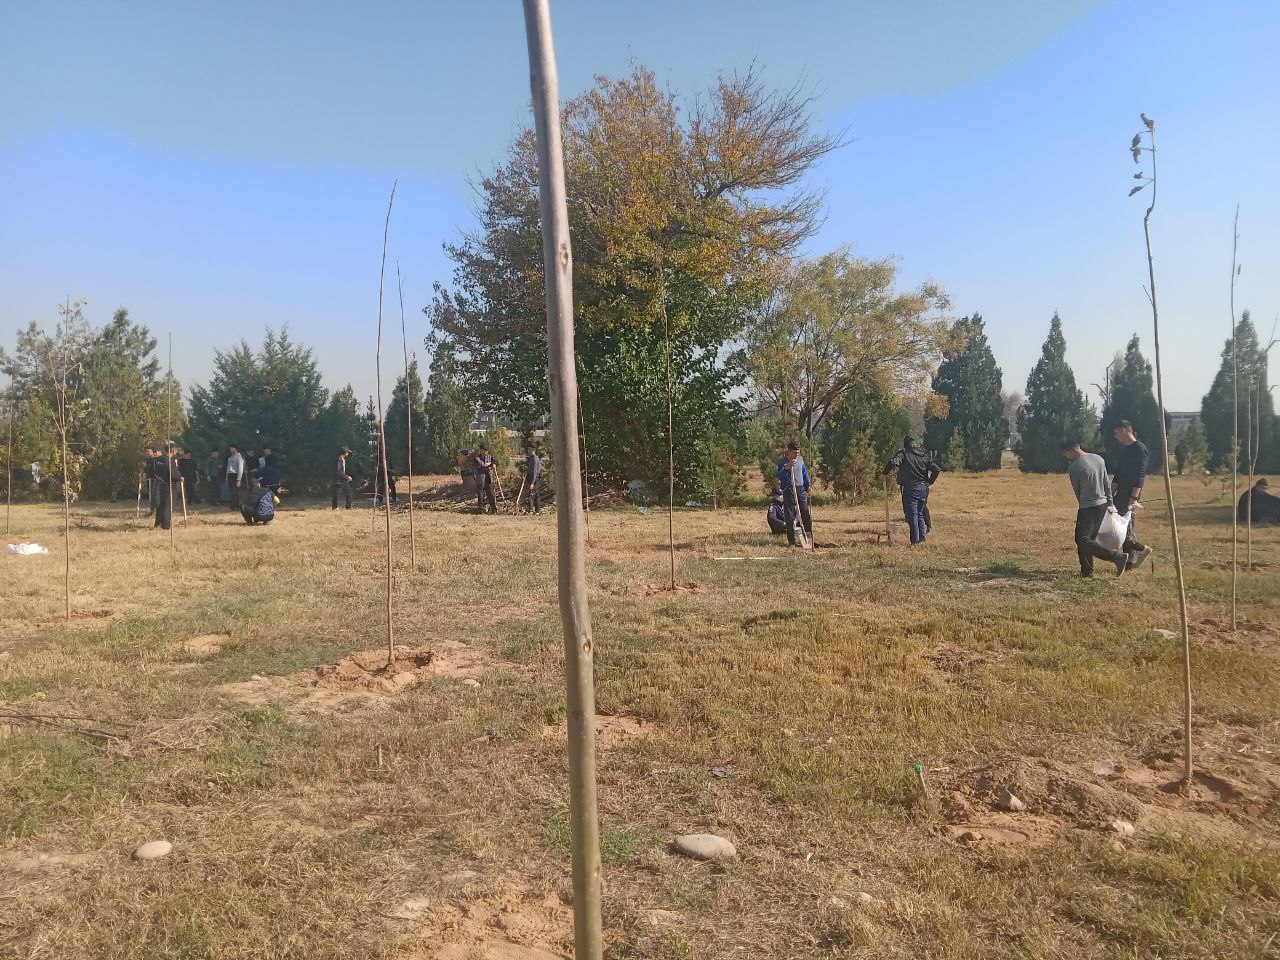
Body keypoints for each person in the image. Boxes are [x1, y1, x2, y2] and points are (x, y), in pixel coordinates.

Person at [1062, 438, 1132, 577]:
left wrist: (1082, 507)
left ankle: (1116, 557)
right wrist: (1110, 503)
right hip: (1103, 505)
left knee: (1082, 539)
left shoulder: (1074, 467)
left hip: (1088, 507)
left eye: (1065, 454)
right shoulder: (1098, 458)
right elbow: (1106, 482)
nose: (1066, 457)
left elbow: (1078, 490)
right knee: (1088, 539)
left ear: (1069, 451)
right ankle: (1086, 572)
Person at [1111, 420, 1153, 568]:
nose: (1116, 437)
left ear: (1123, 430)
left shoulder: (1139, 449)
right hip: (1120, 493)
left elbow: (1140, 475)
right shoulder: (1125, 451)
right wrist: (1111, 495)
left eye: (1116, 433)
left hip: (1130, 494)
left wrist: (1134, 498)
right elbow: (1118, 475)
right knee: (1122, 526)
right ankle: (1129, 560)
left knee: (1124, 527)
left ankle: (1140, 550)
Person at [884, 436, 941, 545]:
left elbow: (893, 462)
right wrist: (929, 482)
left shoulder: (904, 453)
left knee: (912, 515)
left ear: (906, 446)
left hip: (910, 489)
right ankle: (922, 537)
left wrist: (884, 473)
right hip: (923, 488)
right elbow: (936, 469)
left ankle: (915, 542)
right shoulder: (923, 455)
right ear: (915, 445)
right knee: (919, 513)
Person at [775, 440, 813, 548]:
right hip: (789, 490)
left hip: (800, 489)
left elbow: (804, 472)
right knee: (789, 516)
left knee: (805, 514)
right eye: (795, 453)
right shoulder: (782, 462)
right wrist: (787, 467)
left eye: (798, 452)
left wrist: (808, 484)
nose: (797, 455)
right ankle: (792, 541)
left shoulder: (800, 459)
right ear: (789, 451)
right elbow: (779, 475)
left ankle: (809, 539)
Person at [151, 442, 178, 530]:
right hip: (168, 485)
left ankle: (158, 523)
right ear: (173, 451)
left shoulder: (157, 460)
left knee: (159, 505)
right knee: (167, 505)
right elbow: (173, 474)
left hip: (158, 484)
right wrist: (179, 477)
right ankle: (165, 525)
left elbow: (153, 472)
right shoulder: (170, 460)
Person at [473, 443, 497, 514]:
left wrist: (494, 464)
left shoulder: (490, 456)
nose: (486, 452)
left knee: (491, 495)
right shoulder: (476, 458)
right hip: (480, 480)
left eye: (487, 450)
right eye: (484, 450)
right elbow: (481, 466)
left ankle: (494, 511)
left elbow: (496, 461)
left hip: (488, 479)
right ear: (481, 450)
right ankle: (480, 511)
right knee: (481, 496)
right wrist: (489, 466)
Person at [524, 444, 543, 514]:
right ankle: (537, 510)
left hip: (535, 479)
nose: (528, 451)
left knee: (532, 493)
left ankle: (528, 510)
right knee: (536, 494)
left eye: (529, 449)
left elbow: (535, 472)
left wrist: (532, 483)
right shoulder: (530, 458)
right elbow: (530, 469)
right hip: (531, 478)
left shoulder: (535, 459)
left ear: (532, 450)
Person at [225, 445, 245, 510]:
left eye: (232, 449)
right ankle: (232, 505)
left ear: (235, 449)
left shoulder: (239, 457)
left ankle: (236, 505)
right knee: (231, 491)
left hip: (235, 475)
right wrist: (226, 477)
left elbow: (240, 468)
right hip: (230, 475)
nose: (231, 450)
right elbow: (228, 468)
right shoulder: (230, 458)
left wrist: (238, 479)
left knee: (235, 491)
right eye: (230, 449)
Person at [144, 444, 161, 517]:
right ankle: (152, 510)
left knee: (156, 496)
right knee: (152, 496)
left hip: (156, 480)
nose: (147, 453)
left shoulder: (158, 460)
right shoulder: (148, 460)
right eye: (146, 451)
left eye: (148, 451)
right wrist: (145, 474)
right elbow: (147, 469)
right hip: (150, 480)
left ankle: (155, 511)